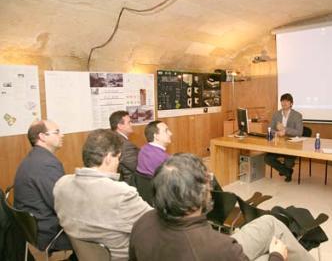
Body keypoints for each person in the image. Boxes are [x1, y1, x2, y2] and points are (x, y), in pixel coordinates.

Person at [129, 153, 314, 261]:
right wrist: (276, 257)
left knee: (270, 222)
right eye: (207, 180)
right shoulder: (219, 248)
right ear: (200, 193)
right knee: (273, 251)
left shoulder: (142, 224)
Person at [53, 129, 152, 260]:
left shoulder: (61, 185)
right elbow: (155, 225)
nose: (118, 163)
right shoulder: (121, 194)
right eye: (118, 158)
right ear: (108, 158)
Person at [13, 120, 73, 252]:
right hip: (49, 234)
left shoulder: (34, 158)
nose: (62, 135)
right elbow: (62, 204)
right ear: (42, 137)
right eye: (57, 132)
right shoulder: (46, 164)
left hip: (34, 231)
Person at [265, 93, 303, 182]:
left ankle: (286, 170)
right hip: (278, 144)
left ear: (291, 103)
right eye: (282, 101)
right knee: (267, 158)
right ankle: (287, 171)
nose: (284, 103)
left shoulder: (297, 115)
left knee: (288, 163)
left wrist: (285, 130)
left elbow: (299, 132)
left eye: (287, 101)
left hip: (292, 145)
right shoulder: (276, 114)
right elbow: (269, 129)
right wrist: (277, 133)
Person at [109, 110, 139, 183]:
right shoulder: (125, 145)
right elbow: (139, 167)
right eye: (129, 122)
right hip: (131, 183)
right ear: (120, 126)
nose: (131, 124)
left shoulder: (112, 137)